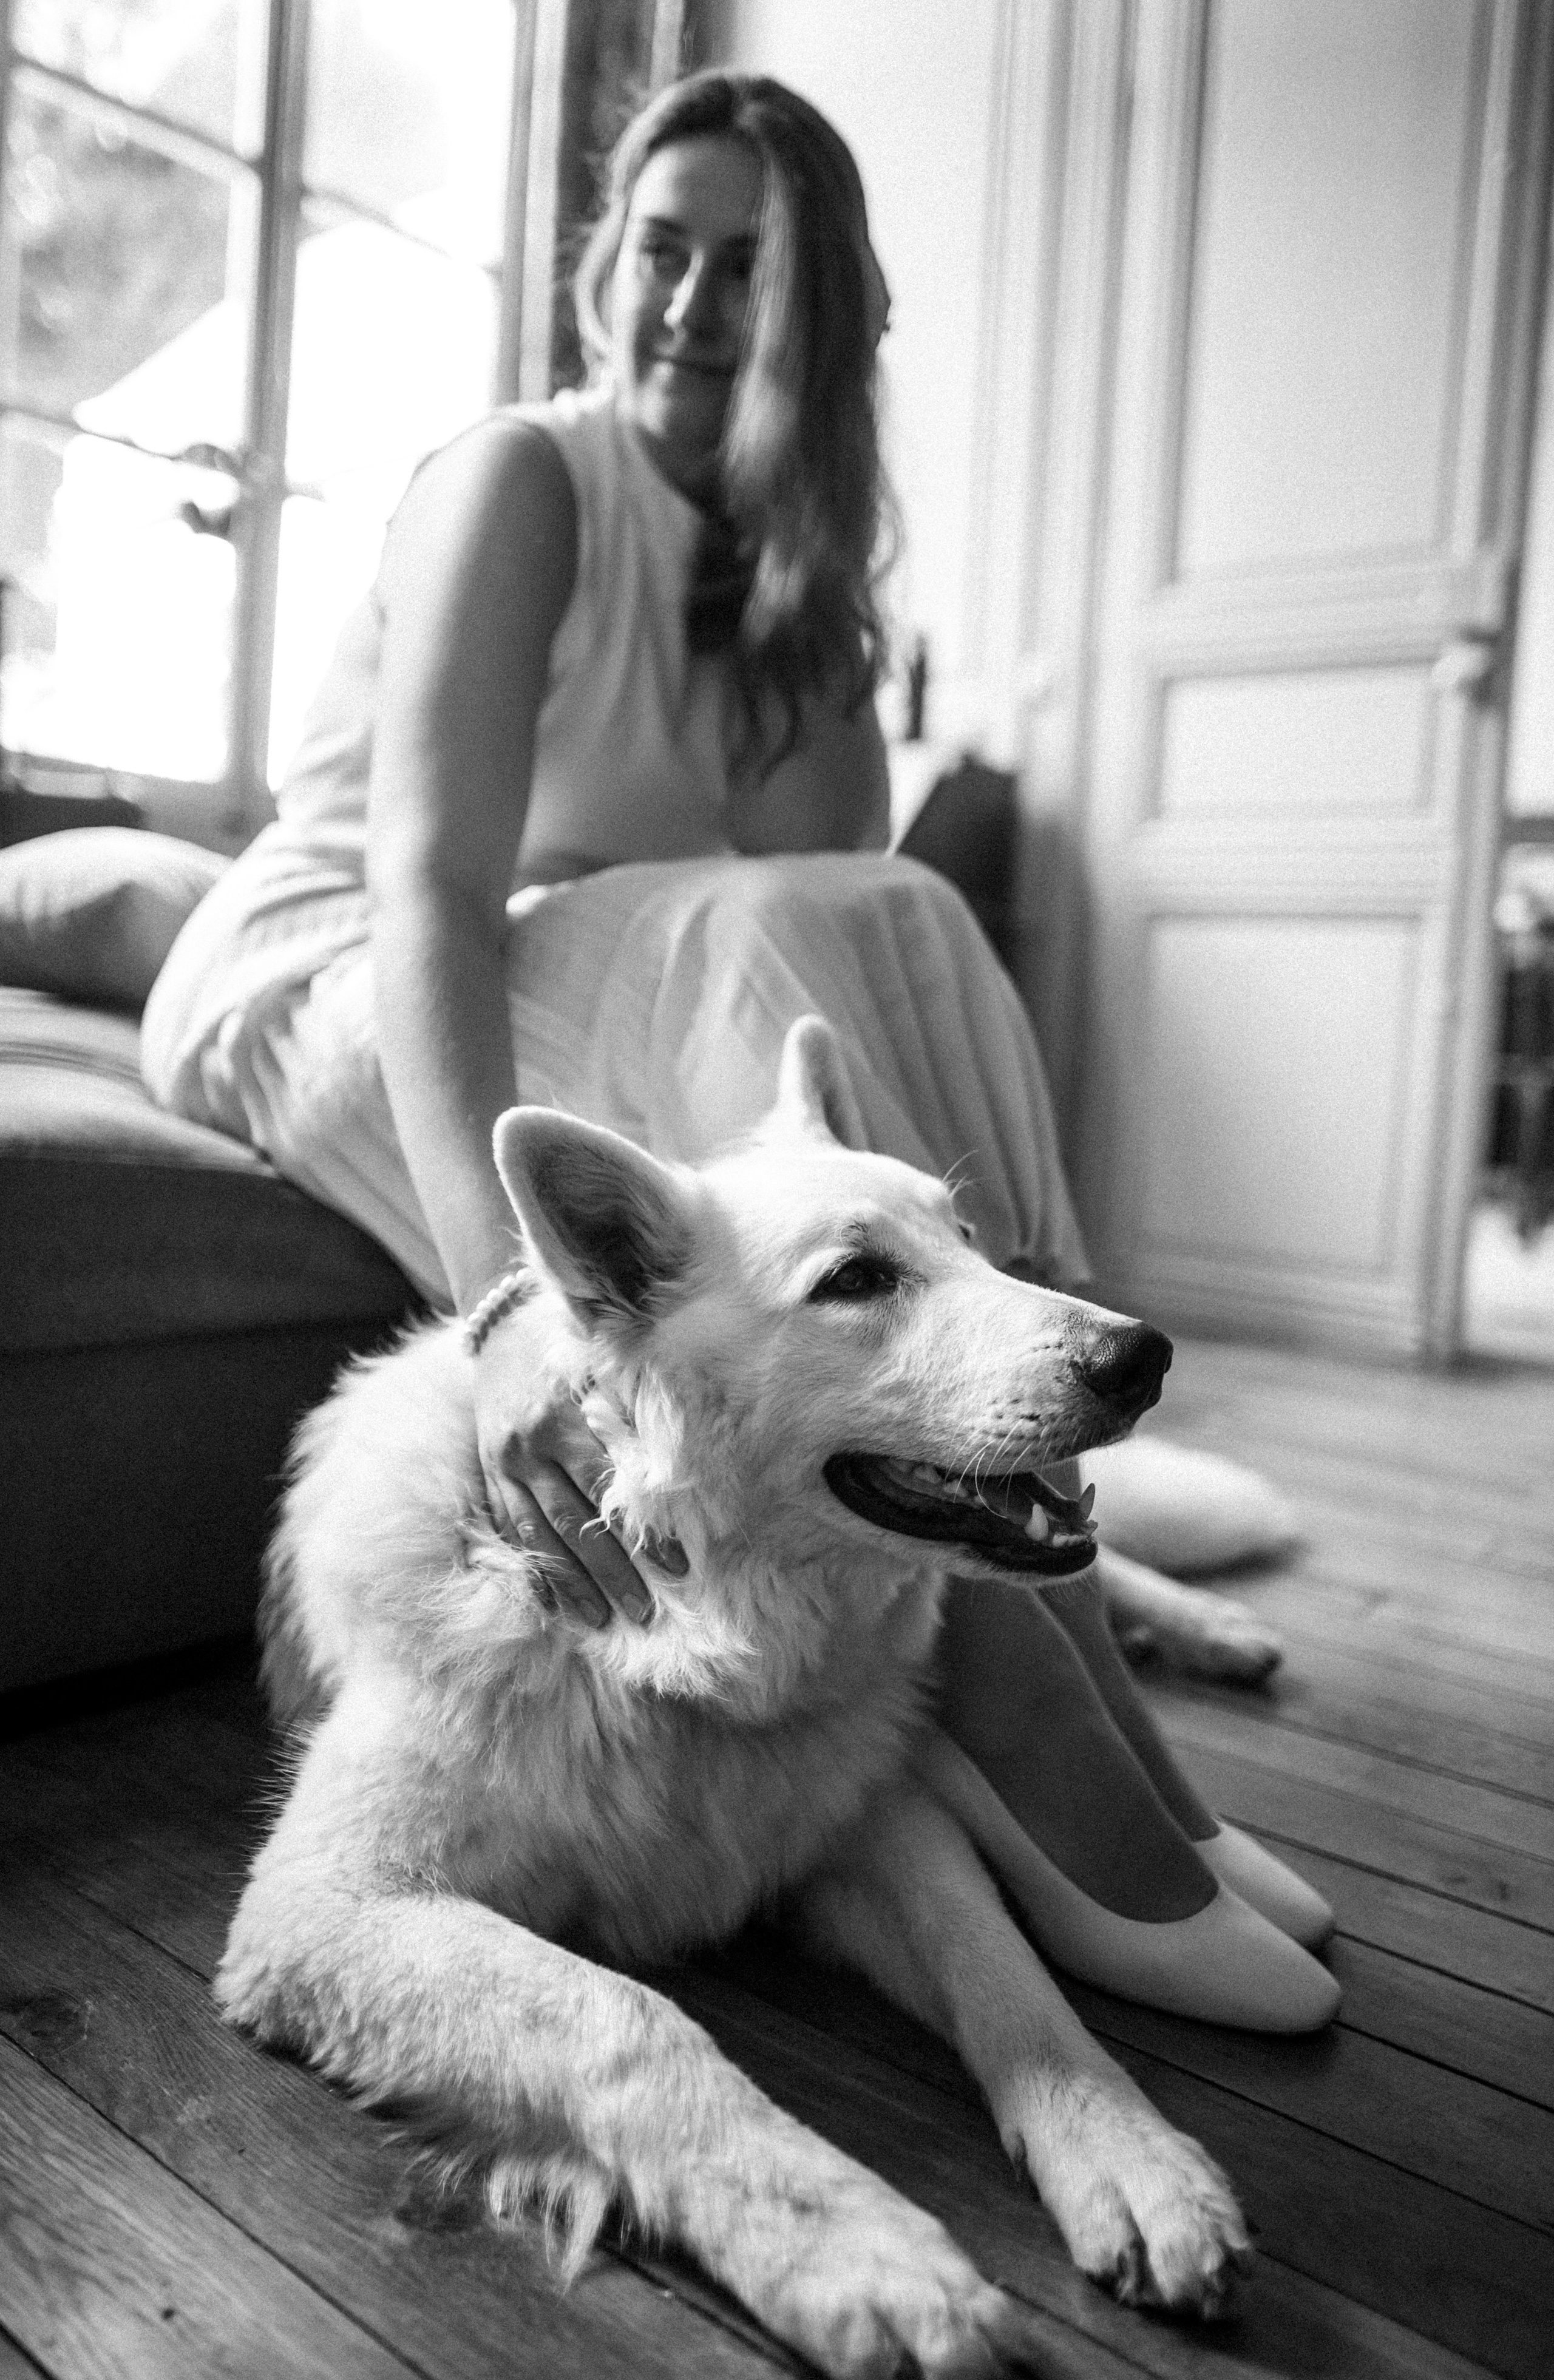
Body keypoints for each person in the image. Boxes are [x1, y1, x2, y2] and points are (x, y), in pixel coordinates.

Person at [143, 69, 1335, 2026]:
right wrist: (513, 1316)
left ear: (827, 319)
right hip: (342, 968)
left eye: (752, 271)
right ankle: (1053, 1759)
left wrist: (806, 589)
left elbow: (838, 963)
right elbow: (429, 889)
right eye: (661, 251)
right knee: (749, 922)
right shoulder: (524, 479)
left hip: (591, 965)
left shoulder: (800, 587)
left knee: (871, 911)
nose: (691, 306)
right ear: (602, 269)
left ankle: (1070, 1668)